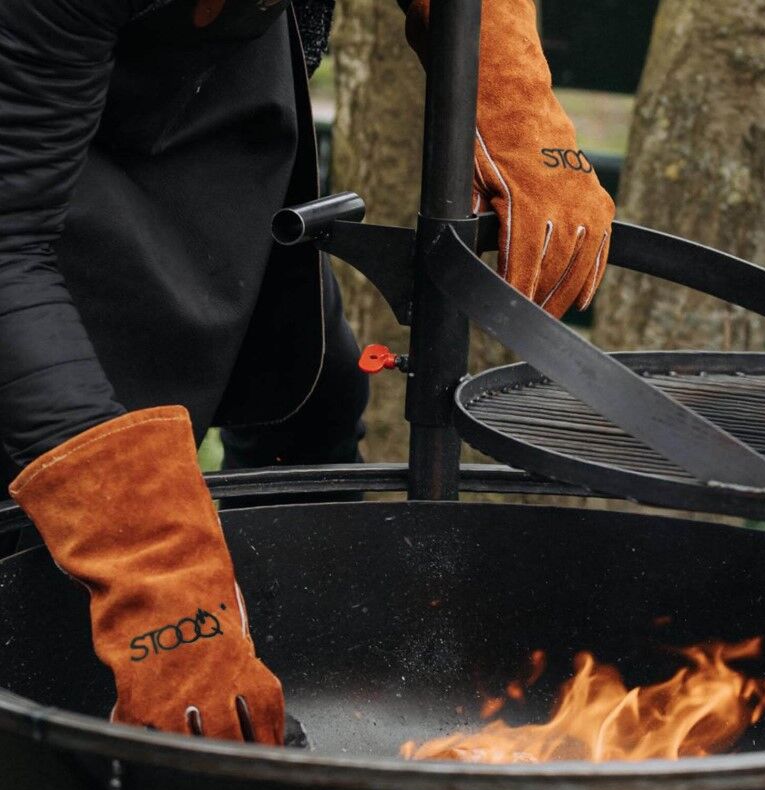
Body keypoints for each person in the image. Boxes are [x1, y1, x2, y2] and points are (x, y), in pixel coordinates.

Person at [0, 0, 615, 744]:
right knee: (60, 546)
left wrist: (519, 107)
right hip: (33, 190)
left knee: (314, 400)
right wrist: (153, 579)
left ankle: (315, 698)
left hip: (214, 100)